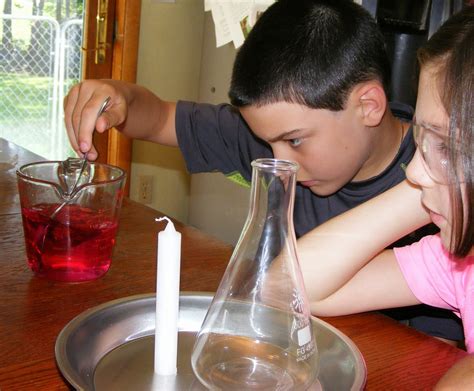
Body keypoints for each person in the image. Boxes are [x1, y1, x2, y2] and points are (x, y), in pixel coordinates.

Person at [63, 1, 460, 341]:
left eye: (296, 140)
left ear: (369, 106)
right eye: (268, 141)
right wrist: (118, 98)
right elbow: (159, 118)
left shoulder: (450, 188)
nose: (279, 160)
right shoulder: (273, 136)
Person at [297, 6, 474, 389]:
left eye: (447, 145)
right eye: (423, 139)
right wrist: (425, 190)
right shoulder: (458, 265)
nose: (411, 171)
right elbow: (296, 284)